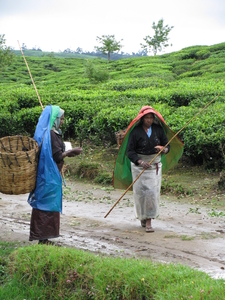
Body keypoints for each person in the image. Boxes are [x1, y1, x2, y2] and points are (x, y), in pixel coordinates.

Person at [28, 105, 82, 244]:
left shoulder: (52, 132)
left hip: (48, 174)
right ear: (55, 119)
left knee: (48, 204)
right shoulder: (50, 134)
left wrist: (67, 151)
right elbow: (57, 156)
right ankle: (42, 238)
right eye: (61, 119)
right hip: (48, 175)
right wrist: (70, 152)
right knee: (46, 205)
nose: (63, 122)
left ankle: (44, 237)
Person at [126, 106, 170, 233]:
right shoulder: (135, 132)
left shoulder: (158, 130)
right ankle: (143, 217)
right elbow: (130, 151)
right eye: (147, 118)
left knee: (151, 193)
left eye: (151, 118)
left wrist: (163, 149)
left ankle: (149, 221)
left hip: (153, 166)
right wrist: (140, 162)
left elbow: (167, 146)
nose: (149, 120)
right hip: (138, 167)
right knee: (140, 194)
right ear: (142, 118)